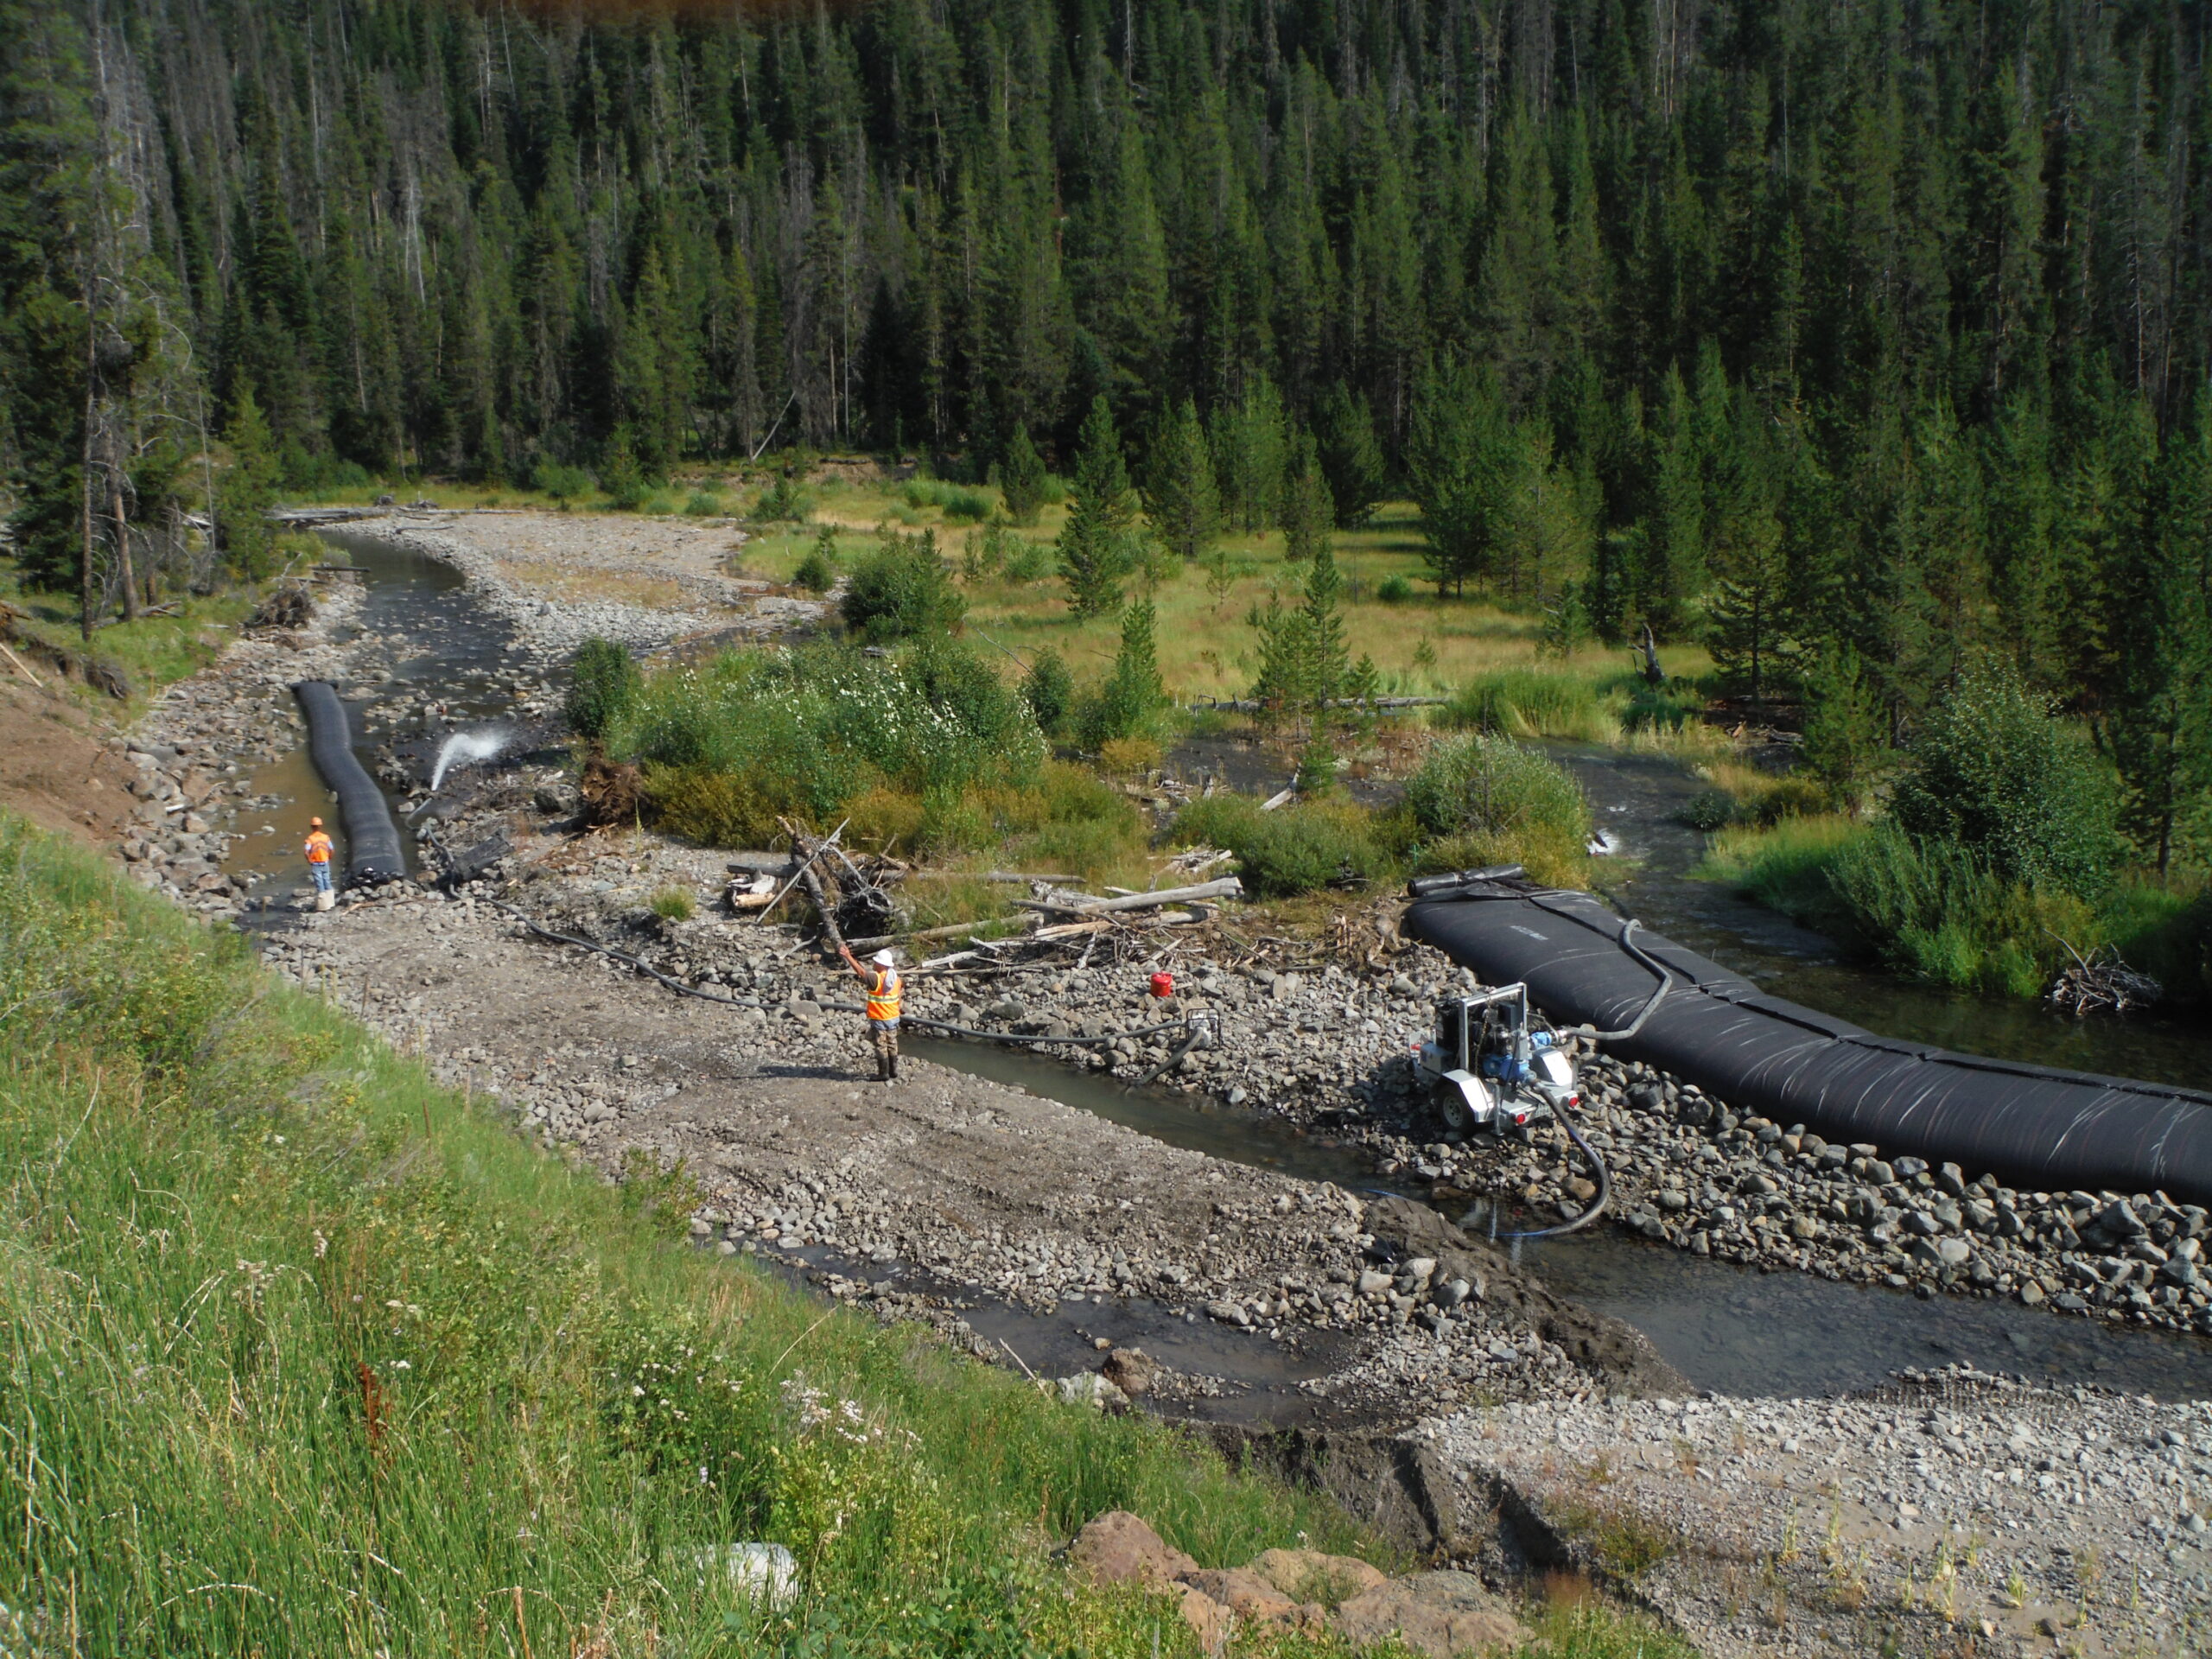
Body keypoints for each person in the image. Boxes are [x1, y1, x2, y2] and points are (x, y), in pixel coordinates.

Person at [838, 944, 902, 1083]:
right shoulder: (896, 980)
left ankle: (883, 1073)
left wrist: (848, 956)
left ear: (881, 964)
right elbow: (899, 998)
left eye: (875, 962)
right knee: (892, 1043)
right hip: (893, 1017)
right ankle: (893, 1070)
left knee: (881, 1045)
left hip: (880, 1018)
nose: (873, 963)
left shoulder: (876, 979)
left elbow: (861, 973)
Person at [303, 815, 336, 911]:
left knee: (319, 882)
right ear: (320, 826)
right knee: (327, 880)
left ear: (312, 826)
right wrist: (329, 857)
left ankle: (323, 906)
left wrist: (309, 860)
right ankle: (331, 903)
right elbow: (332, 849)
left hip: (316, 863)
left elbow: (306, 852)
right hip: (325, 862)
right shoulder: (326, 837)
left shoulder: (310, 839)